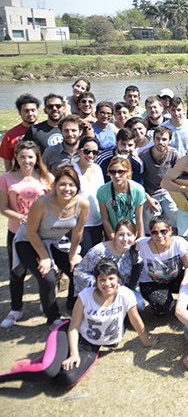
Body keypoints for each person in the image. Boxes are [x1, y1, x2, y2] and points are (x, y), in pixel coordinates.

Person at [0, 260, 158, 388]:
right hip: (68, 334)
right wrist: (74, 353)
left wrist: (146, 341)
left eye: (111, 278)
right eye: (102, 279)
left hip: (91, 347)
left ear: (118, 278)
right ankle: (7, 377)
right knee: (48, 371)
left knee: (66, 379)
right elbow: (74, 327)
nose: (107, 283)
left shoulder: (125, 294)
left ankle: (39, 362)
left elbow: (135, 320)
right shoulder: (85, 296)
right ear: (96, 281)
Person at [12, 166, 90, 326]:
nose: (67, 189)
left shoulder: (83, 204)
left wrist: (73, 254)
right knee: (47, 278)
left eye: (72, 185)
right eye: (62, 184)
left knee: (77, 272)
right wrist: (45, 257)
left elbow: (77, 232)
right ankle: (52, 318)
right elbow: (31, 232)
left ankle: (71, 306)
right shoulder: (42, 203)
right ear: (54, 186)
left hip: (56, 241)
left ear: (77, 187)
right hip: (28, 241)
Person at [0, 141, 54, 328]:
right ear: (16, 158)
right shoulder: (6, 178)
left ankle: (45, 303)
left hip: (42, 233)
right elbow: (3, 207)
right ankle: (16, 308)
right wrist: (21, 217)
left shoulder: (46, 177)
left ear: (36, 158)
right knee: (17, 271)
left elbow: (55, 202)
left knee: (43, 270)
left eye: (30, 157)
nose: (26, 160)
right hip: (16, 232)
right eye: (22, 157)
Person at [73, 219, 143, 310]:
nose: (125, 239)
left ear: (135, 235)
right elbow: (79, 272)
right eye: (121, 235)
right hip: (100, 289)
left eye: (129, 235)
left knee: (139, 305)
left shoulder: (132, 251)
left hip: (119, 289)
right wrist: (98, 284)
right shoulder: (99, 251)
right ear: (115, 234)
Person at [136, 214, 188, 315]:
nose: (159, 236)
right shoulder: (141, 244)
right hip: (152, 282)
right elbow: (124, 246)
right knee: (161, 308)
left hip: (176, 278)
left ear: (170, 230)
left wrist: (184, 283)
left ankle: (180, 299)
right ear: (150, 233)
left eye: (163, 231)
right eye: (154, 232)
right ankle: (167, 301)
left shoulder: (180, 243)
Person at [139, 127, 179, 232]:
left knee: (175, 216)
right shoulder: (144, 157)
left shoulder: (173, 153)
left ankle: (172, 242)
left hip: (167, 190)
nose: (161, 142)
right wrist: (147, 198)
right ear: (153, 140)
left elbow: (181, 172)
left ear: (170, 141)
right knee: (152, 222)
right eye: (158, 139)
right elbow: (138, 183)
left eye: (164, 139)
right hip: (150, 193)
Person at [98, 157, 146, 240]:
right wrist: (114, 239)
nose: (116, 176)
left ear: (128, 172)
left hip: (132, 233)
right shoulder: (102, 191)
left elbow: (139, 218)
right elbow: (105, 220)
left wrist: (140, 241)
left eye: (120, 172)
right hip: (114, 233)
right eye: (112, 172)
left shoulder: (138, 190)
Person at [72, 136, 105, 253]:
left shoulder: (98, 169)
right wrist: (76, 229)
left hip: (98, 222)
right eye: (87, 151)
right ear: (79, 151)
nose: (91, 155)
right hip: (80, 225)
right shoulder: (72, 170)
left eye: (95, 152)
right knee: (87, 257)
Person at [1, 94, 39, 171]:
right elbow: (8, 162)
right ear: (19, 112)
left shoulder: (46, 130)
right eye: (26, 111)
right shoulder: (10, 135)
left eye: (33, 110)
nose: (30, 114)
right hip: (21, 177)